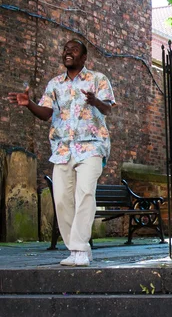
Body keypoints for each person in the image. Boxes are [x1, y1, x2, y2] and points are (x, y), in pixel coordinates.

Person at [8, 39, 115, 267]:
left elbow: (108, 108)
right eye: (65, 49)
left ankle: (80, 249)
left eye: (73, 49)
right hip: (62, 149)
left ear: (84, 57)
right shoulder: (55, 84)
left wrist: (95, 100)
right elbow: (46, 113)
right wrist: (29, 104)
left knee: (85, 194)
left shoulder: (98, 79)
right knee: (63, 200)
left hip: (92, 146)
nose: (68, 52)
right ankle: (73, 249)